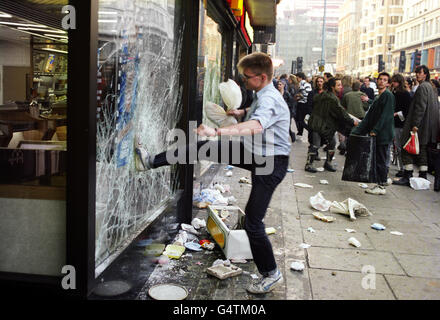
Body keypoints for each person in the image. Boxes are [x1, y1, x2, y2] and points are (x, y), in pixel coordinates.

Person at [135, 52, 290, 294]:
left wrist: (218, 132)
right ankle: (151, 162)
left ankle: (270, 273)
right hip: (256, 152)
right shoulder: (263, 94)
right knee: (200, 147)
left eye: (247, 77)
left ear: (261, 77)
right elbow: (256, 115)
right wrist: (239, 113)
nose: (243, 81)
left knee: (253, 221)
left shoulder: (269, 97)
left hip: (271, 163)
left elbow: (257, 125)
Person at [393, 65, 440, 186]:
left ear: (425, 74)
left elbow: (420, 107)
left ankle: (407, 175)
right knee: (422, 150)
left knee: (406, 146)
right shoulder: (430, 87)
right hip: (428, 126)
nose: (417, 75)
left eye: (420, 73)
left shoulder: (423, 87)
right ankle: (423, 176)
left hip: (420, 126)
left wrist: (415, 125)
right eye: (417, 73)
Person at [352, 72, 395, 195]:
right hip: (379, 133)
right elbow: (370, 116)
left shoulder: (388, 95)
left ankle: (381, 186)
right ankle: (382, 180)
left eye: (384, 80)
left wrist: (375, 130)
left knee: (381, 159)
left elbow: (386, 115)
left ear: (388, 83)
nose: (381, 81)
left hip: (383, 134)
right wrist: (359, 130)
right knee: (379, 158)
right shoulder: (379, 96)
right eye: (380, 79)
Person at [308, 77, 358, 172]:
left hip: (321, 124)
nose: (341, 87)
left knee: (331, 143)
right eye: (338, 85)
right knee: (316, 144)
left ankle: (327, 163)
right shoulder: (332, 98)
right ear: (332, 87)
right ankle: (309, 164)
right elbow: (341, 112)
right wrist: (353, 122)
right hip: (320, 125)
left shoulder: (323, 95)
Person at [390, 73, 412, 177]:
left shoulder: (404, 94)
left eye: (395, 81)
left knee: (400, 147)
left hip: (401, 124)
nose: (393, 83)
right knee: (397, 147)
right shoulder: (394, 92)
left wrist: (397, 114)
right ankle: (401, 168)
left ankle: (403, 168)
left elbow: (407, 111)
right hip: (395, 123)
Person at [304, 76, 325, 172]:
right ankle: (309, 162)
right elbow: (309, 106)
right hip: (315, 120)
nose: (320, 83)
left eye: (321, 81)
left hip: (324, 122)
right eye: (318, 82)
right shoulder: (312, 93)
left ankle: (321, 158)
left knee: (327, 141)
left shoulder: (326, 93)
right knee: (314, 141)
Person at [295, 72, 312, 136]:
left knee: (300, 120)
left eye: (297, 78)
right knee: (301, 119)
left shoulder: (303, 84)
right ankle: (300, 132)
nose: (297, 79)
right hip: (303, 104)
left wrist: (299, 96)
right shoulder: (306, 84)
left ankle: (309, 130)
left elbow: (306, 95)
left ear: (300, 77)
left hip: (303, 104)